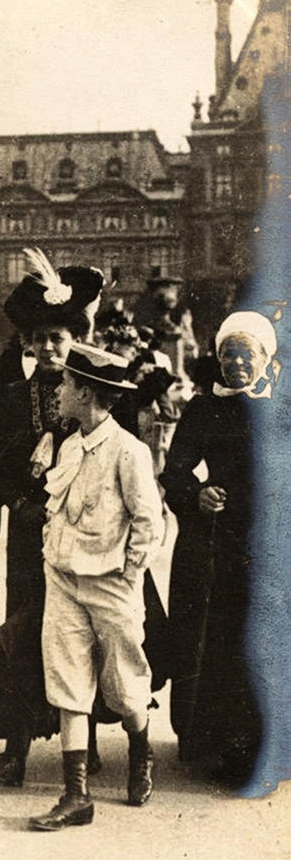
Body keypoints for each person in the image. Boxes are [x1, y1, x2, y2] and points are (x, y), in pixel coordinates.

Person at [0, 248, 104, 787]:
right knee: (24, 632)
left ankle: (87, 741)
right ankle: (16, 749)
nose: (50, 347)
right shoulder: (7, 400)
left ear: (74, 340)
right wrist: (23, 486)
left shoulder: (94, 397)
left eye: (59, 337)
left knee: (83, 631)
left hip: (84, 534)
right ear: (27, 342)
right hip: (30, 533)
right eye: (40, 338)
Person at [29, 343, 164, 830]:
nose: (58, 391)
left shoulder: (129, 451)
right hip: (63, 579)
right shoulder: (68, 445)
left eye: (65, 385)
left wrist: (129, 574)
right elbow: (57, 507)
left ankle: (140, 752)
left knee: (126, 685)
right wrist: (52, 552)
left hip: (111, 584)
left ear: (85, 393)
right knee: (67, 682)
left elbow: (150, 521)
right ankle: (76, 794)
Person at [159, 311, 278, 788]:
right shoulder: (206, 409)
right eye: (227, 353)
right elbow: (174, 472)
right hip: (223, 544)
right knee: (228, 645)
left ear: (267, 360)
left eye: (246, 353)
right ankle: (230, 750)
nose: (236, 362)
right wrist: (196, 495)